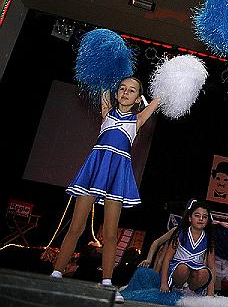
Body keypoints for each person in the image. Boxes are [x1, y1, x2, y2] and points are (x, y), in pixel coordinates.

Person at [50, 77, 160, 303]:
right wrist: (105, 65)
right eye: (122, 89)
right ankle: (56, 274)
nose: (125, 92)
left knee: (110, 233)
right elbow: (103, 79)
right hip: (95, 170)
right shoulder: (107, 112)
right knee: (76, 226)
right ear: (116, 93)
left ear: (138, 98)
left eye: (131, 90)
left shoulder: (138, 119)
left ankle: (108, 283)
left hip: (116, 175)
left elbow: (158, 100)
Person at [160, 199, 216, 296]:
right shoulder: (180, 234)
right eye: (197, 215)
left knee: (205, 273)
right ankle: (176, 288)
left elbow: (212, 267)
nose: (201, 219)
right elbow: (167, 259)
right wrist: (163, 283)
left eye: (204, 217)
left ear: (207, 221)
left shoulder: (209, 240)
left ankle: (190, 291)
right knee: (183, 268)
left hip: (195, 271)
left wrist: (210, 292)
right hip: (177, 269)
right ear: (190, 218)